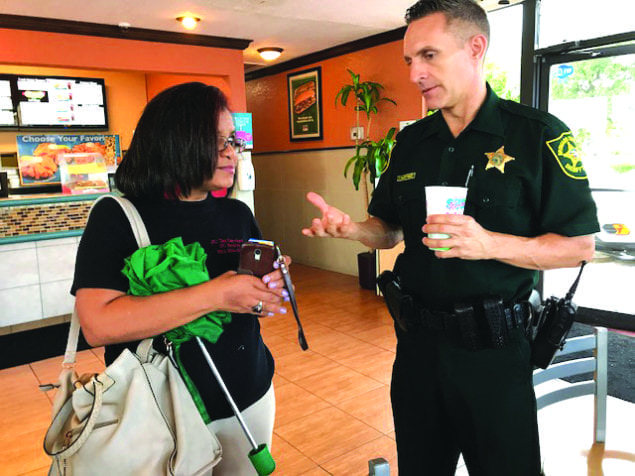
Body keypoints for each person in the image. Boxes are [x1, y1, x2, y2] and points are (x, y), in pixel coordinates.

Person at [302, 1, 599, 474]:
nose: (415, 72)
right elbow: (389, 229)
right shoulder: (412, 143)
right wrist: (353, 229)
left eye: (429, 55)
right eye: (409, 61)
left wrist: (490, 244)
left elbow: (580, 247)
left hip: (494, 358)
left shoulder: (537, 137)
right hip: (417, 350)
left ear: (475, 48)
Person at [72, 82, 289, 475]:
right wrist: (218, 294)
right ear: (177, 141)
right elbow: (97, 324)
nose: (231, 152)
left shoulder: (237, 214)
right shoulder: (117, 216)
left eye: (232, 140)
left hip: (249, 396)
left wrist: (265, 292)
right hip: (158, 408)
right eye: (216, 140)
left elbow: (250, 303)